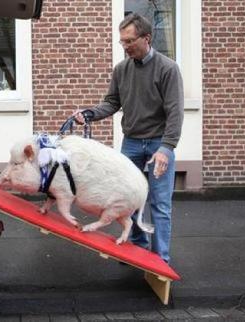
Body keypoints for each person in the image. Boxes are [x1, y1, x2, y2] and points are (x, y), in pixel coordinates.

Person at [73, 13, 184, 263]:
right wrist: (88, 114)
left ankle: (160, 261)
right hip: (131, 142)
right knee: (127, 200)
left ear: (146, 38)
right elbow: (112, 103)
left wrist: (167, 148)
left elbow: (175, 113)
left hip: (158, 144)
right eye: (122, 41)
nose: (124, 46)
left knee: (160, 205)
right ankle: (138, 249)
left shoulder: (168, 69)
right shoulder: (121, 70)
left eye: (129, 41)